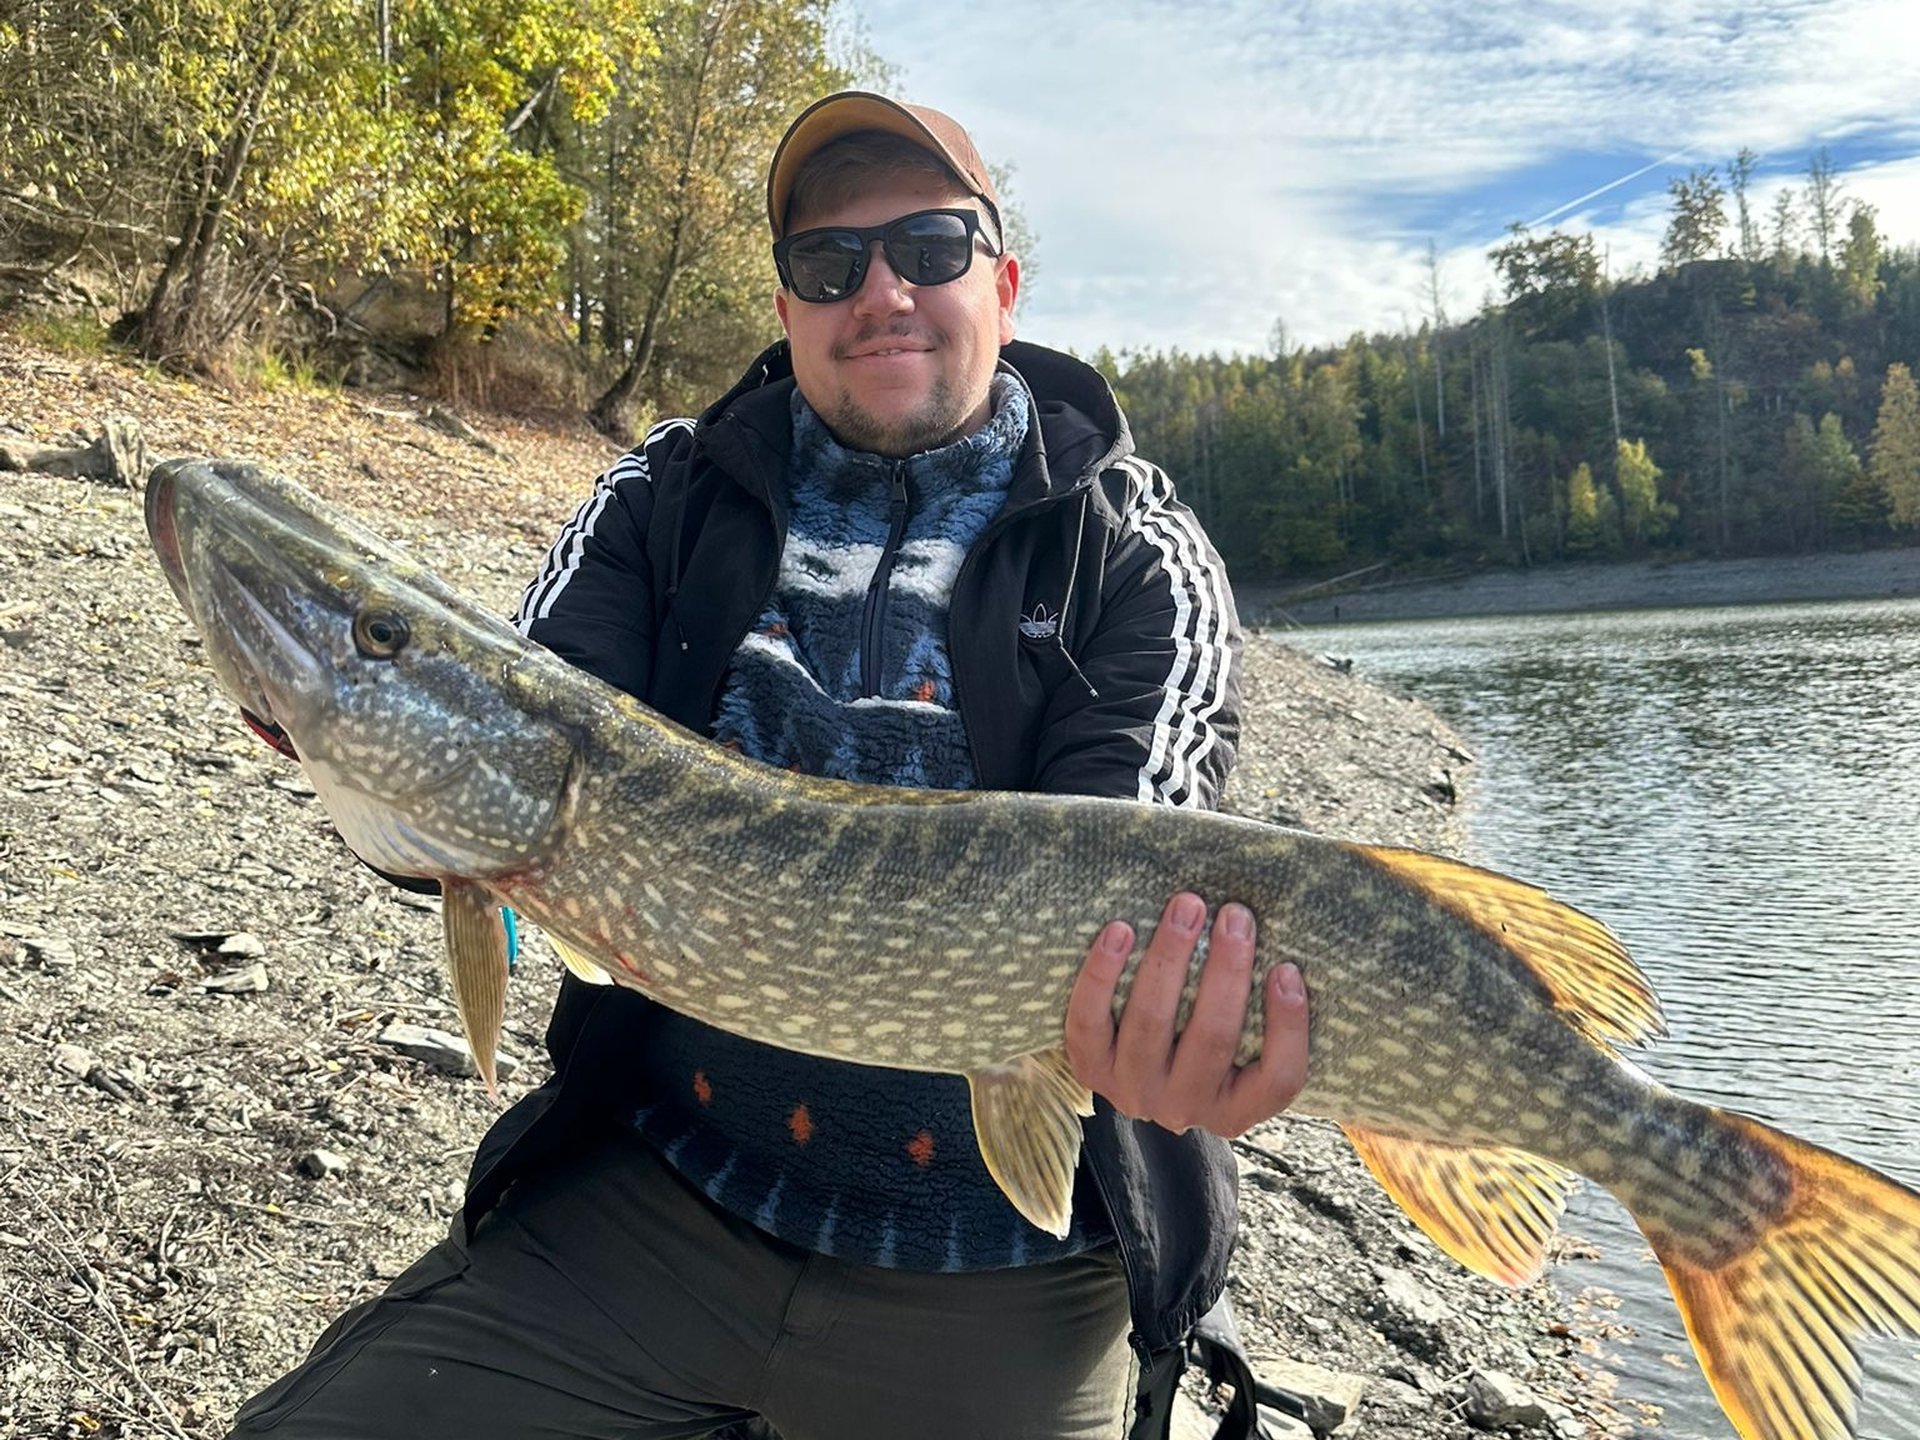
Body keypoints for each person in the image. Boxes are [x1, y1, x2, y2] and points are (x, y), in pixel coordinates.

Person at [228, 91, 1310, 1440]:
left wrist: (1165, 1031)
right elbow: (502, 789)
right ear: (790, 301)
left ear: (1005, 281)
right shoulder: (662, 496)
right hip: (656, 1210)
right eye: (829, 264)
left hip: (1005, 1286)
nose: (882, 293)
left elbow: (1134, 857)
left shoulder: (1135, 551)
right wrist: (364, 755)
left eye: (929, 247)